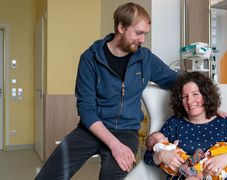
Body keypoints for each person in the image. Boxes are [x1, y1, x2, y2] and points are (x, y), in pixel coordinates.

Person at [35, 3, 178, 180]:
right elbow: (86, 109)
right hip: (91, 129)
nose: (142, 40)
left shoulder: (145, 58)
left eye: (145, 34)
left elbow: (178, 81)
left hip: (126, 131)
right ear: (121, 27)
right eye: (138, 33)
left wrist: (208, 103)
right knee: (48, 176)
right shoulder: (90, 58)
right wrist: (114, 145)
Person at [144, 72, 227, 180]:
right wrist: (161, 155)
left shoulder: (223, 124)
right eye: (185, 96)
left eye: (195, 94)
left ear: (206, 95)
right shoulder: (174, 123)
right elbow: (147, 157)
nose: (190, 101)